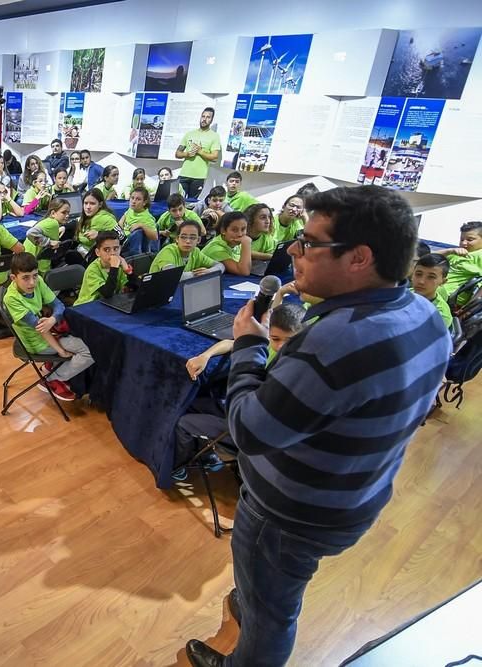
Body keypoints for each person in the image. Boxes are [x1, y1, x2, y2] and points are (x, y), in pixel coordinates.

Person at [184, 185, 452, 667]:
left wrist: (247, 345)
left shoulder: (335, 342)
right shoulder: (424, 314)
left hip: (290, 515)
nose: (292, 249)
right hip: (353, 496)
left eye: (308, 243)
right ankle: (252, 602)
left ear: (359, 258)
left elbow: (248, 431)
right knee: (273, 591)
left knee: (272, 617)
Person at [173, 303, 307, 481]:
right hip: (245, 406)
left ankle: (180, 465)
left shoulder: (294, 373)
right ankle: (206, 455)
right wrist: (205, 355)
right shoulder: (286, 350)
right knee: (193, 403)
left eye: (288, 341)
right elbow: (232, 343)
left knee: (182, 421)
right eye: (275, 339)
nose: (280, 346)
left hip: (248, 427)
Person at [3, 252, 94, 402]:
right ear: (14, 278)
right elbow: (40, 328)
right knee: (90, 351)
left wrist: (53, 319)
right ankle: (52, 379)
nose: (32, 282)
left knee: (87, 337)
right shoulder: (11, 298)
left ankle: (49, 366)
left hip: (48, 331)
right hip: (36, 342)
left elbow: (58, 304)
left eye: (34, 275)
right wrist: (60, 351)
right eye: (26, 278)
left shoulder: (38, 281)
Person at [149, 219, 222, 279]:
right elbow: (173, 276)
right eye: (183, 237)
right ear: (177, 239)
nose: (187, 241)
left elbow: (220, 265)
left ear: (198, 240)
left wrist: (209, 272)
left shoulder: (195, 252)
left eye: (193, 238)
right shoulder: (168, 251)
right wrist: (197, 274)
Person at [174, 107, 220, 199]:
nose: (204, 119)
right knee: (176, 200)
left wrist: (200, 151)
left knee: (191, 202)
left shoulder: (214, 136)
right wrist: (187, 154)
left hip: (199, 176)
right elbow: (177, 153)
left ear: (211, 120)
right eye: (203, 116)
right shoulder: (189, 134)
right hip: (184, 174)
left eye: (208, 117)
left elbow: (215, 157)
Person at [75, 231, 130, 306]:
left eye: (116, 248)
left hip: (109, 303)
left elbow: (132, 287)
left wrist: (128, 271)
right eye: (107, 250)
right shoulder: (93, 269)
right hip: (87, 306)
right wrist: (114, 268)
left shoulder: (119, 265)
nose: (112, 253)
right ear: (98, 252)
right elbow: (107, 294)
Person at [435, 220, 482, 305]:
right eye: (462, 239)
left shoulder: (480, 255)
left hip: (445, 295)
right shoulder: (455, 253)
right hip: (432, 287)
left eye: (470, 240)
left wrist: (469, 309)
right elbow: (425, 260)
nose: (464, 243)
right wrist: (449, 250)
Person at [24, 197, 72, 274]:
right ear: (53, 213)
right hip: (37, 265)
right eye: (64, 213)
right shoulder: (53, 223)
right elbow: (30, 233)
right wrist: (49, 242)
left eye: (68, 213)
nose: (67, 216)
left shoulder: (48, 221)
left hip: (29, 262)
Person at [203, 211, 253, 276]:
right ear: (223, 230)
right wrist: (246, 244)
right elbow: (244, 272)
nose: (240, 234)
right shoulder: (216, 249)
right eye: (234, 230)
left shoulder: (233, 242)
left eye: (243, 229)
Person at [411, 253, 454, 330]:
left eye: (431, 277)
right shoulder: (407, 292)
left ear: (443, 282)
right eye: (418, 274)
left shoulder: (439, 315)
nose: (421, 281)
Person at [119, 186, 157, 258]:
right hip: (121, 239)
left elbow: (155, 237)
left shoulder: (147, 218)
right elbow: (120, 223)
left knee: (137, 233)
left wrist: (141, 225)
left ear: (144, 202)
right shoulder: (130, 210)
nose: (133, 201)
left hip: (130, 248)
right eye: (132, 198)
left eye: (138, 199)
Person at [76, 189, 118, 253]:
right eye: (85, 203)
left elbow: (121, 236)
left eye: (92, 203)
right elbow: (77, 221)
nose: (88, 207)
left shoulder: (100, 218)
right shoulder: (94, 215)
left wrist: (99, 234)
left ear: (100, 204)